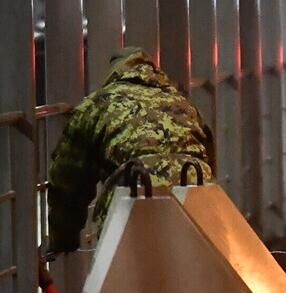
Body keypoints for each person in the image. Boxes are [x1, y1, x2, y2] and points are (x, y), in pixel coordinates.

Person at [43, 46, 216, 256]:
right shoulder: (182, 103)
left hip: (132, 202)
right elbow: (208, 159)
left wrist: (62, 240)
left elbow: (68, 181)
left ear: (115, 73)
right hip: (195, 202)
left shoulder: (98, 105)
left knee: (133, 279)